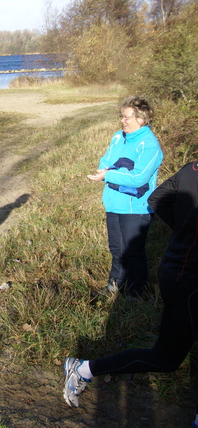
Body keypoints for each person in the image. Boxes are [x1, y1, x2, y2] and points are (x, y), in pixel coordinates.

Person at [64, 161, 198, 426]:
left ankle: (83, 369)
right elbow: (157, 197)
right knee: (166, 358)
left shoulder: (191, 168)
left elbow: (158, 197)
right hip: (187, 280)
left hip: (177, 270)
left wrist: (182, 231)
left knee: (167, 358)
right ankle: (82, 369)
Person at [87, 96, 163, 298]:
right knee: (117, 249)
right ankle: (114, 286)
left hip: (136, 208)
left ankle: (135, 292)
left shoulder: (150, 146)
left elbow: (139, 178)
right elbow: (106, 160)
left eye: (127, 117)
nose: (123, 121)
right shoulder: (118, 137)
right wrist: (105, 170)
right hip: (114, 202)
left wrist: (108, 174)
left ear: (141, 119)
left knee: (133, 252)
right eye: (122, 116)